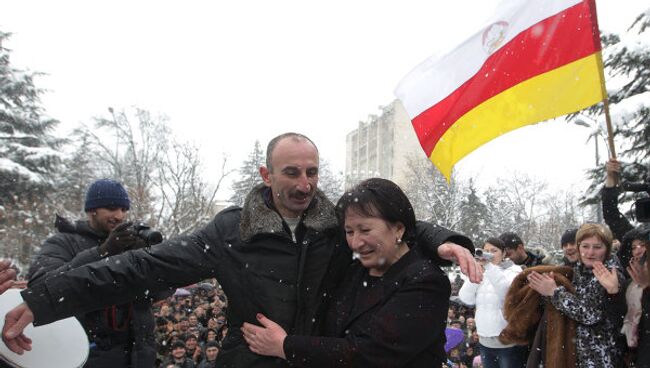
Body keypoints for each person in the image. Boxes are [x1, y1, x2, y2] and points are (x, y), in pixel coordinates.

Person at [2, 133, 480, 368]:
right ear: (266, 175)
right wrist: (43, 300)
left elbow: (395, 223)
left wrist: (445, 242)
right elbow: (139, 269)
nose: (304, 183)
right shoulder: (229, 233)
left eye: (312, 171)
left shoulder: (336, 225)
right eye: (291, 172)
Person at [240, 178, 461, 367]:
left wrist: (285, 346)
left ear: (398, 229)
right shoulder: (355, 269)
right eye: (349, 231)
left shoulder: (426, 281)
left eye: (365, 230)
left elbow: (369, 354)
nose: (356, 242)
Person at [26, 178, 167, 368]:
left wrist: (150, 259)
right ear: (92, 210)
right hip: (84, 355)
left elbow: (161, 292)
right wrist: (102, 252)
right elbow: (40, 287)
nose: (119, 216)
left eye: (124, 210)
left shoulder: (130, 245)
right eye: (111, 208)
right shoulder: (63, 242)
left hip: (138, 357)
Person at [527, 223, 626, 367]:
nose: (590, 252)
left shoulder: (610, 274)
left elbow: (589, 314)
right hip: (576, 354)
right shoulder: (579, 269)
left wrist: (554, 292)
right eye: (585, 246)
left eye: (597, 247)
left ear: (606, 250)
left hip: (601, 357)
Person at [458, 238, 526, 368]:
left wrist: (489, 267)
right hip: (484, 340)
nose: (489, 254)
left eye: (494, 251)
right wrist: (476, 273)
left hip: (507, 341)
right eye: (486, 251)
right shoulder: (483, 270)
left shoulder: (515, 271)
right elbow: (466, 298)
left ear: (504, 253)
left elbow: (506, 295)